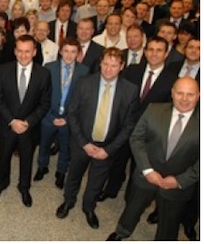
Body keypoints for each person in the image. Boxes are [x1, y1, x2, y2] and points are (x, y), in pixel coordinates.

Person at [107, 77, 199, 241]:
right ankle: (122, 231)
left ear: (198, 95)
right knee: (132, 209)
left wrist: (179, 180)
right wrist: (148, 170)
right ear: (172, 93)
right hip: (146, 175)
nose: (184, 99)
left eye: (190, 94)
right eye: (180, 93)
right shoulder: (153, 110)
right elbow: (136, 138)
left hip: (178, 185)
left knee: (170, 222)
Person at [56, 47, 139, 229]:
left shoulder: (131, 91)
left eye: (114, 65)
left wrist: (108, 150)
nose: (109, 69)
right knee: (74, 175)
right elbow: (73, 113)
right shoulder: (84, 83)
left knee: (96, 181)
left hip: (107, 146)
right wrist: (84, 143)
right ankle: (68, 201)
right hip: (82, 142)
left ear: (122, 66)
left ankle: (89, 207)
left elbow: (128, 126)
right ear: (100, 63)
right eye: (106, 64)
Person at [97, 36, 178, 202]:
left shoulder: (172, 79)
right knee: (117, 161)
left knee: (140, 166)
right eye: (151, 49)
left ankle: (131, 198)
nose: (154, 54)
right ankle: (111, 189)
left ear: (166, 53)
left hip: (149, 133)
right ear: (145, 52)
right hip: (124, 126)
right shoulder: (132, 70)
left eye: (159, 50)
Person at [0, 35, 51, 208]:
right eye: (20, 51)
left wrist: (27, 122)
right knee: (4, 156)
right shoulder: (3, 70)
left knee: (26, 158)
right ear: (15, 51)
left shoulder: (43, 74)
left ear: (34, 52)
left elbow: (44, 103)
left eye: (28, 51)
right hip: (7, 125)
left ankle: (24, 187)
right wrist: (11, 120)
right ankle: (2, 183)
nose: (24, 55)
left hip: (28, 127)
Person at [34, 38, 89, 188]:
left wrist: (67, 118)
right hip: (49, 116)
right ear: (60, 51)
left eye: (73, 52)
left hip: (69, 119)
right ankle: (42, 166)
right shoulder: (49, 67)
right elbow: (43, 94)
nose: (69, 55)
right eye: (66, 51)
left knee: (66, 147)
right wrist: (50, 116)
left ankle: (61, 172)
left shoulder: (84, 71)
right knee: (44, 144)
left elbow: (82, 100)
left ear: (78, 53)